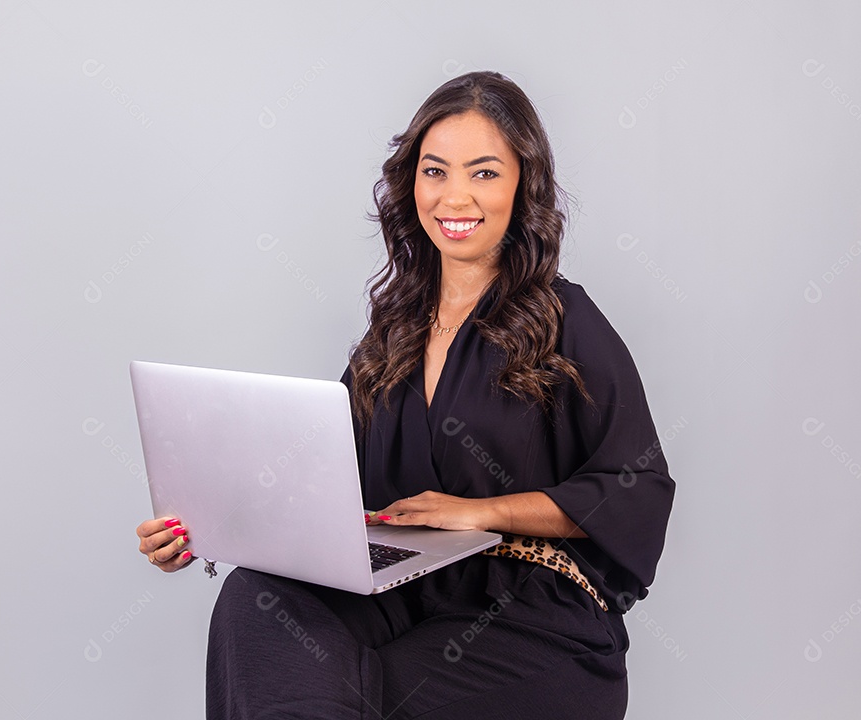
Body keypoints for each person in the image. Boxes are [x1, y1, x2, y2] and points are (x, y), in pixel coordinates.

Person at [136, 70, 675, 719]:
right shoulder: (393, 332)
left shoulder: (565, 319)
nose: (455, 197)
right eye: (435, 171)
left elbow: (634, 487)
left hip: (531, 608)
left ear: (522, 186)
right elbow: (322, 489)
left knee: (371, 693)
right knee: (256, 602)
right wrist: (209, 529)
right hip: (403, 590)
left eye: (483, 173)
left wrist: (483, 511)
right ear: (410, 183)